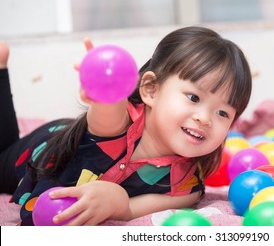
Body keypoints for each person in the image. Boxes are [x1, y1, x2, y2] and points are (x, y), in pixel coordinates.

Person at [0, 26, 252, 226]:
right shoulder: (119, 120)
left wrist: (117, 202)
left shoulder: (186, 185)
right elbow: (108, 111)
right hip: (46, 148)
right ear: (151, 90)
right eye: (194, 98)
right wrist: (104, 89)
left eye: (222, 112)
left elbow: (132, 209)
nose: (205, 118)